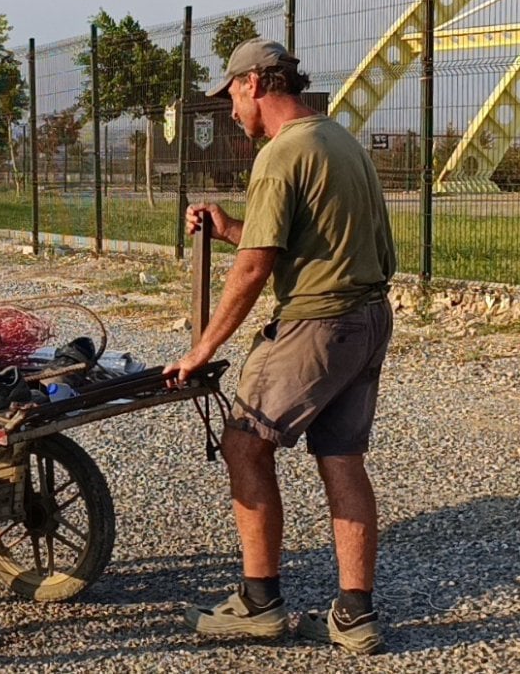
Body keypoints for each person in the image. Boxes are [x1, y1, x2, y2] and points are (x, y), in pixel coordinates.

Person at [163, 38, 396, 654]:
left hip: (318, 324)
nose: (230, 110)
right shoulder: (337, 139)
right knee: (342, 457)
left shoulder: (280, 155)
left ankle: (258, 603)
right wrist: (229, 226)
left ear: (254, 85)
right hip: (367, 318)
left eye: (231, 96)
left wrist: (200, 350)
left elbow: (253, 270)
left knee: (243, 443)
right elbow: (300, 239)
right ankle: (354, 614)